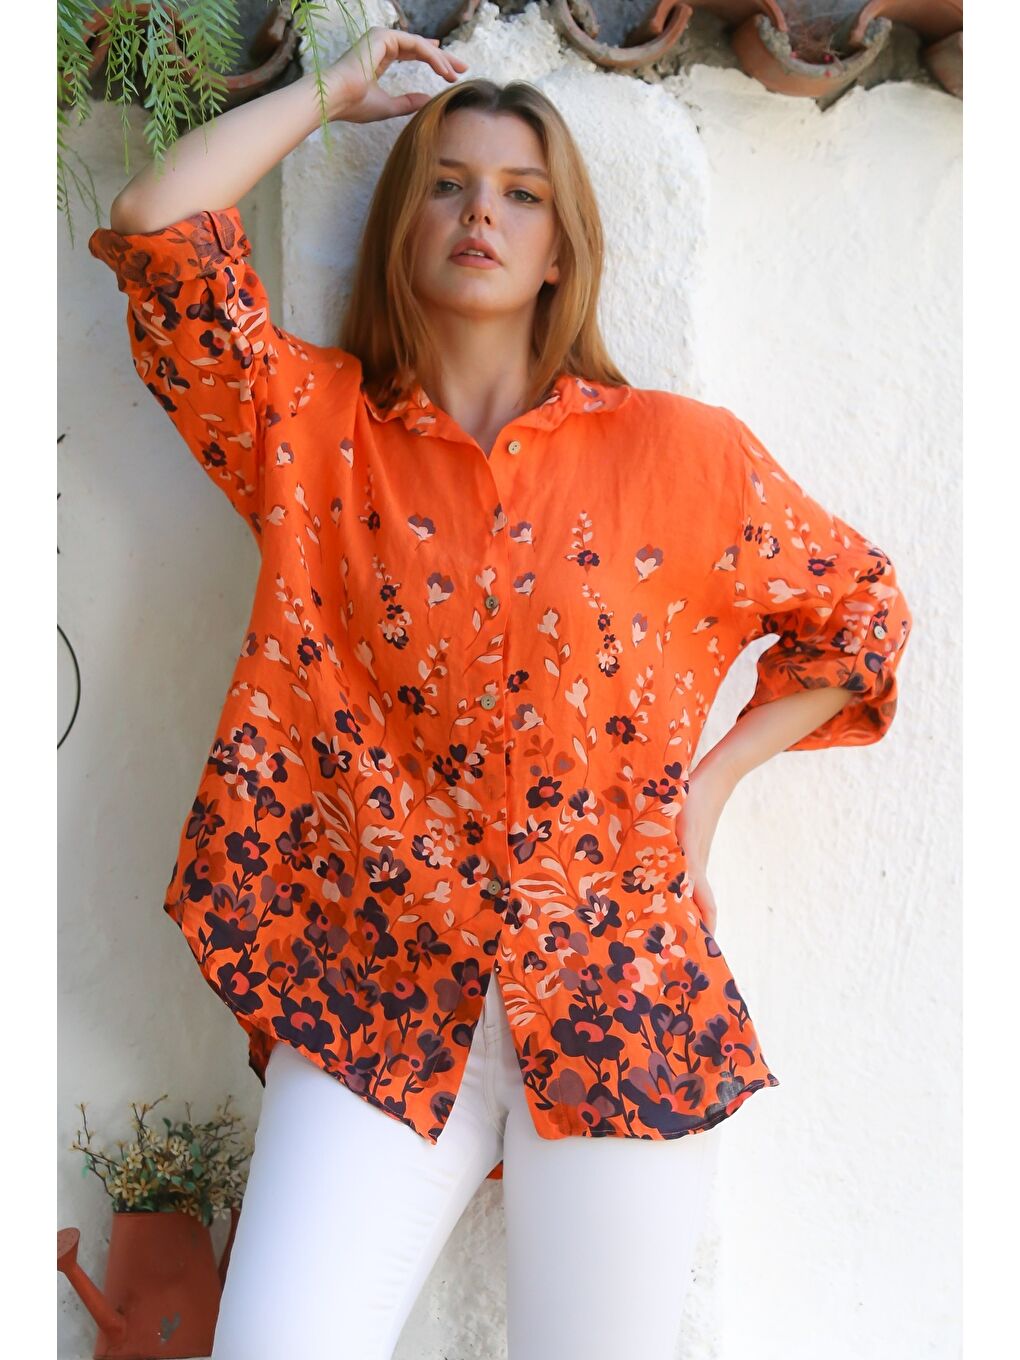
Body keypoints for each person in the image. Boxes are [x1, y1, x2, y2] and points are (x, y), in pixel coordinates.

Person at [88, 24, 914, 1360]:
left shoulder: (683, 456)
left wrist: (710, 790)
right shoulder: (313, 432)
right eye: (449, 184)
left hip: (620, 992)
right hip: (375, 990)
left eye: (522, 193)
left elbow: (860, 613)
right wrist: (334, 92)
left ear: (561, 247)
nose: (484, 213)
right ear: (402, 227)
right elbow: (155, 225)